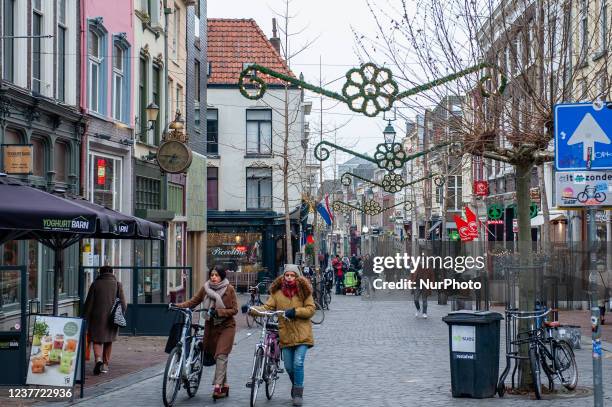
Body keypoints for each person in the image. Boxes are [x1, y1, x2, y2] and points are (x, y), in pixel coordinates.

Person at [250, 264, 315, 406]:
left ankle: (298, 394)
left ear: (297, 277)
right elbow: (267, 307)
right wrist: (251, 309)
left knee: (298, 363)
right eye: (287, 275)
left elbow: (310, 310)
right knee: (289, 367)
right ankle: (296, 385)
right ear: (283, 276)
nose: (290, 278)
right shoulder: (277, 293)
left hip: (302, 334)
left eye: (292, 275)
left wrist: (296, 311)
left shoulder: (304, 291)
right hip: (285, 335)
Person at [173, 265, 238, 400]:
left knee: (221, 355)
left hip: (227, 326)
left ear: (222, 276)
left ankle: (217, 387)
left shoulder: (229, 289)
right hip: (211, 327)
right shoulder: (205, 288)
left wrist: (219, 312)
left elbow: (234, 310)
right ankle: (225, 385)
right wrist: (176, 306)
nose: (213, 277)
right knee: (217, 356)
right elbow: (193, 302)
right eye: (212, 275)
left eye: (216, 275)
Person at [83, 266, 126, 375]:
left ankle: (98, 360)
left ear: (100, 273)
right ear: (112, 273)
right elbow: (124, 304)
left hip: (97, 317)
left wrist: (85, 317)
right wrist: (120, 314)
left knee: (97, 340)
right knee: (108, 341)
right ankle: (105, 365)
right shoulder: (117, 284)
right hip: (112, 318)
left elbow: (89, 303)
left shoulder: (95, 284)